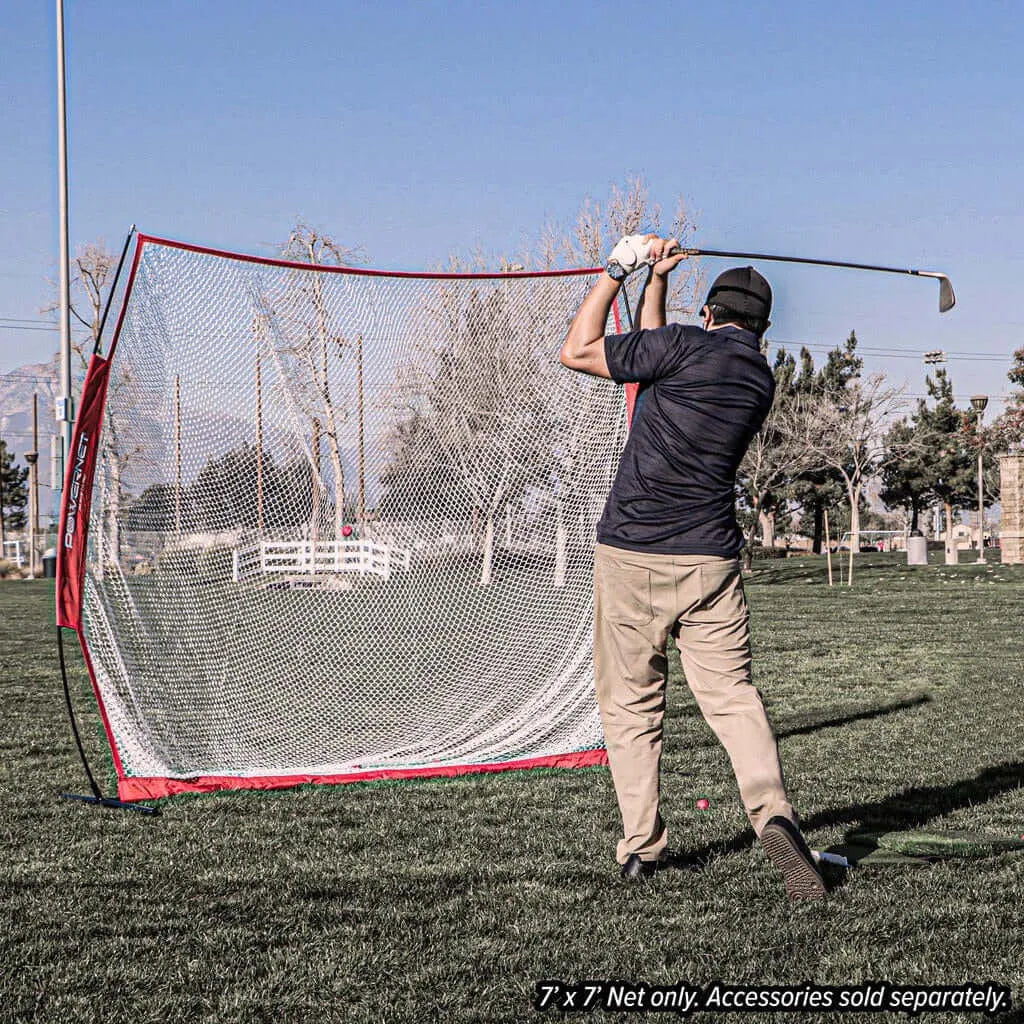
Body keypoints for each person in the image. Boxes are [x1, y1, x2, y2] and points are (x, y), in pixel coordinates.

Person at [559, 234, 826, 900]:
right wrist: (656, 283)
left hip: (632, 553)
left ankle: (641, 848)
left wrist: (617, 270)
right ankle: (774, 815)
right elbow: (658, 357)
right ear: (762, 328)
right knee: (734, 698)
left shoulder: (682, 347)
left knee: (632, 707)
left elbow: (578, 350)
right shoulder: (757, 378)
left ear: (707, 313)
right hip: (711, 560)